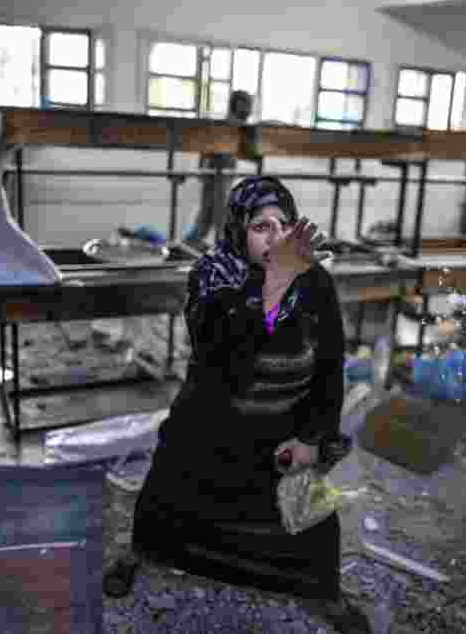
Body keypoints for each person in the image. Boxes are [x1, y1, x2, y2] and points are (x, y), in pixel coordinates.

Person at [104, 176, 371, 634]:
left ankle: (324, 593)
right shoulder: (212, 275)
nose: (275, 236)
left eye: (282, 225)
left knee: (308, 526)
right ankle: (140, 555)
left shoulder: (316, 283)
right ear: (237, 230)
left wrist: (311, 437)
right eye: (260, 226)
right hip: (211, 428)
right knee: (164, 506)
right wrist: (276, 282)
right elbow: (222, 358)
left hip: (281, 433)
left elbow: (329, 369)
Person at [183, 90, 254, 248]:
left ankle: (188, 244)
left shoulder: (237, 125)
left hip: (222, 174)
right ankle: (195, 246)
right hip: (217, 174)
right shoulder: (228, 124)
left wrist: (202, 167)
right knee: (216, 216)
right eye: (247, 105)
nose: (250, 110)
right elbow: (207, 147)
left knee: (207, 216)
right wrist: (202, 167)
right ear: (238, 104)